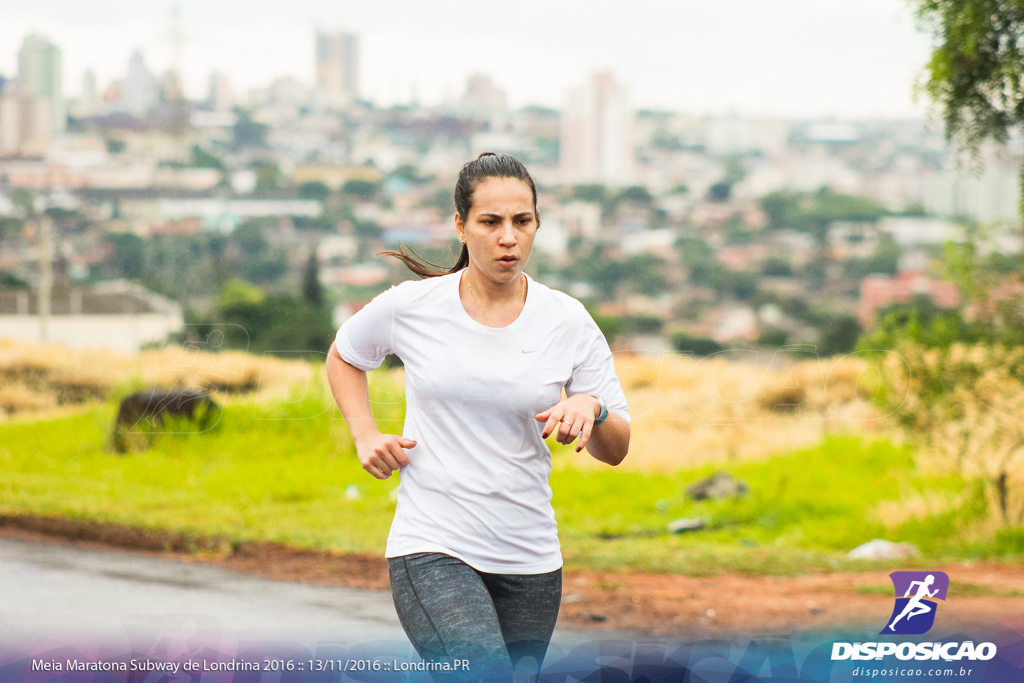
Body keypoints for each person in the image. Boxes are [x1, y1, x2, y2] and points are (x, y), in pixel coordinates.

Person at [325, 153, 631, 682]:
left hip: (530, 555)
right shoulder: (414, 306)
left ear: (537, 224)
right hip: (434, 542)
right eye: (491, 222)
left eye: (523, 221)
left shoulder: (567, 320)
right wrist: (365, 433)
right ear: (462, 227)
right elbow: (345, 355)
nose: (508, 237)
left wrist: (592, 406)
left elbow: (616, 448)